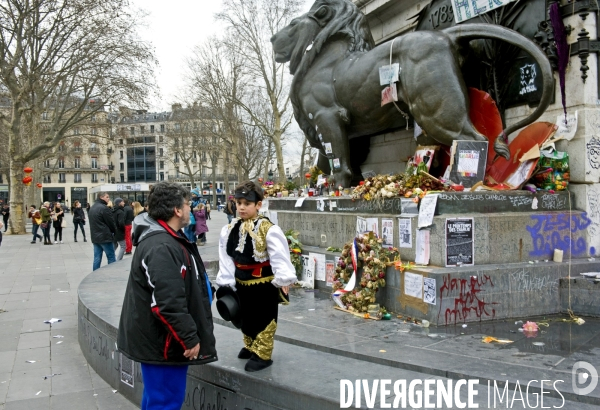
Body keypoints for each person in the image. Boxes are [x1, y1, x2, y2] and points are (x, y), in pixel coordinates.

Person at [118, 182, 217, 410]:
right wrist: (189, 337)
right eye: (187, 204)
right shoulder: (161, 245)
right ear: (177, 210)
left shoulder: (168, 237)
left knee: (157, 398)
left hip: (163, 340)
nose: (190, 209)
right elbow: (167, 302)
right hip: (163, 343)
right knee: (164, 402)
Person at [216, 180, 297, 372]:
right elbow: (226, 256)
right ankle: (251, 345)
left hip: (263, 285)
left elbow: (279, 254)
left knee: (263, 318)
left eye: (247, 204)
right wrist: (227, 281)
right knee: (245, 316)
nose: (241, 208)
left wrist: (283, 278)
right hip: (240, 282)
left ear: (258, 205)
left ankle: (263, 354)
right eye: (239, 203)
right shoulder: (229, 229)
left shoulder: (268, 229)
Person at [89, 192, 117, 271]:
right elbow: (111, 222)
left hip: (95, 236)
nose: (109, 199)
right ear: (101, 197)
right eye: (107, 197)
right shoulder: (104, 208)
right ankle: (113, 272)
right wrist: (114, 232)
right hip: (105, 236)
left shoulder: (93, 207)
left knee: (97, 258)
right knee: (111, 257)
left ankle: (94, 274)